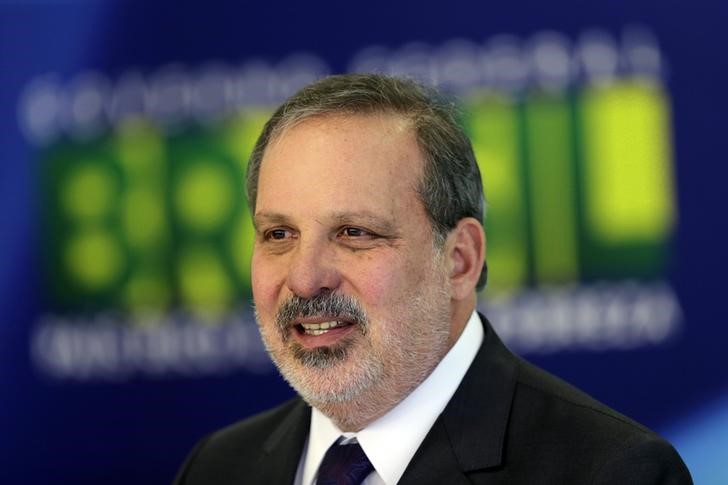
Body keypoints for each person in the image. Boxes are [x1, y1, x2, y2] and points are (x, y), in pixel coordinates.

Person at [174, 74, 692, 484]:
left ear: (460, 260)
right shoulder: (217, 467)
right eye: (279, 234)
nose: (306, 279)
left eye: (355, 232)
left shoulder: (614, 473)